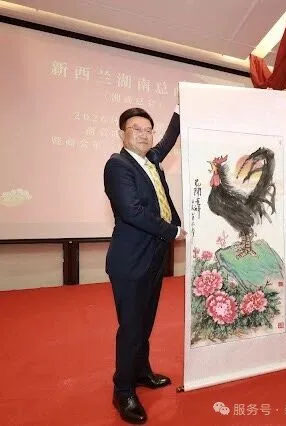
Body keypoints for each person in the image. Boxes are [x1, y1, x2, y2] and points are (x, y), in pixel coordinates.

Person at [104, 106, 186, 424]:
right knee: (131, 328)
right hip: (130, 262)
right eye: (136, 129)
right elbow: (133, 211)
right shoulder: (118, 165)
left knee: (145, 323)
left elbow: (168, 140)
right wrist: (173, 231)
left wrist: (180, 109)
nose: (144, 134)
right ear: (122, 133)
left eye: (148, 130)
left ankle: (140, 371)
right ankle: (123, 390)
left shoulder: (150, 159)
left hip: (153, 258)